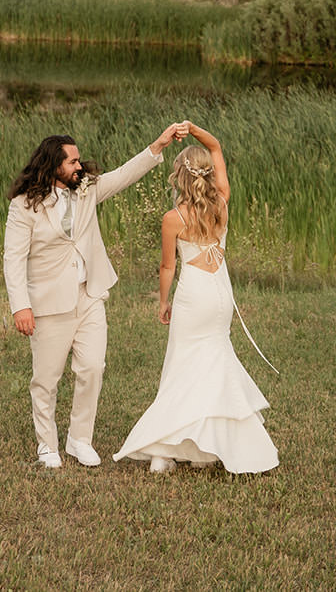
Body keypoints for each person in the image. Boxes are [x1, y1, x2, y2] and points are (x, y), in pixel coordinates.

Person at [4, 122, 187, 469]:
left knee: (93, 367)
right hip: (48, 302)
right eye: (72, 161)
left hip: (89, 295)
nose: (79, 165)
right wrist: (20, 307)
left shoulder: (86, 190)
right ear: (53, 165)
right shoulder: (25, 205)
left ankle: (79, 439)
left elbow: (123, 175)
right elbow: (12, 258)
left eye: (78, 160)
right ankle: (47, 446)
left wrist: (159, 144)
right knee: (46, 378)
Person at [113, 121, 278, 474]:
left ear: (180, 177)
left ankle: (164, 451)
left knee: (181, 366)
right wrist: (195, 129)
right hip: (220, 294)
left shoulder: (173, 219)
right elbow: (216, 147)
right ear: (205, 175)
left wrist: (162, 302)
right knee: (214, 362)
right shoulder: (221, 202)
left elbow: (167, 268)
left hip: (194, 295)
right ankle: (207, 447)